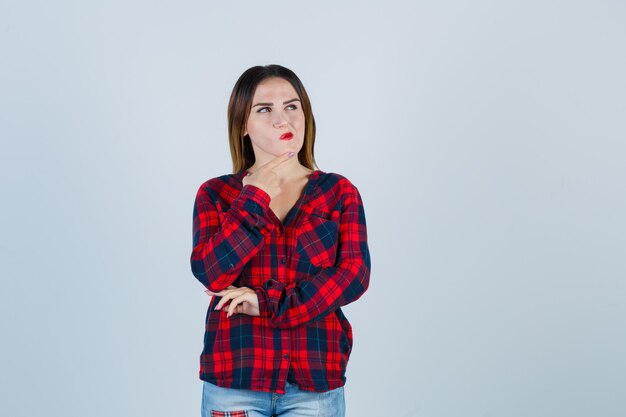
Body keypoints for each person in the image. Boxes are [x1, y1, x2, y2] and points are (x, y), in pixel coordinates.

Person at [190, 64, 371, 417]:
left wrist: (268, 303)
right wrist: (254, 198)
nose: (282, 120)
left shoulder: (339, 193)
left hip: (314, 384)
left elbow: (353, 276)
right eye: (264, 109)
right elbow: (211, 272)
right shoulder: (216, 194)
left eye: (291, 106)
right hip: (235, 383)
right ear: (243, 124)